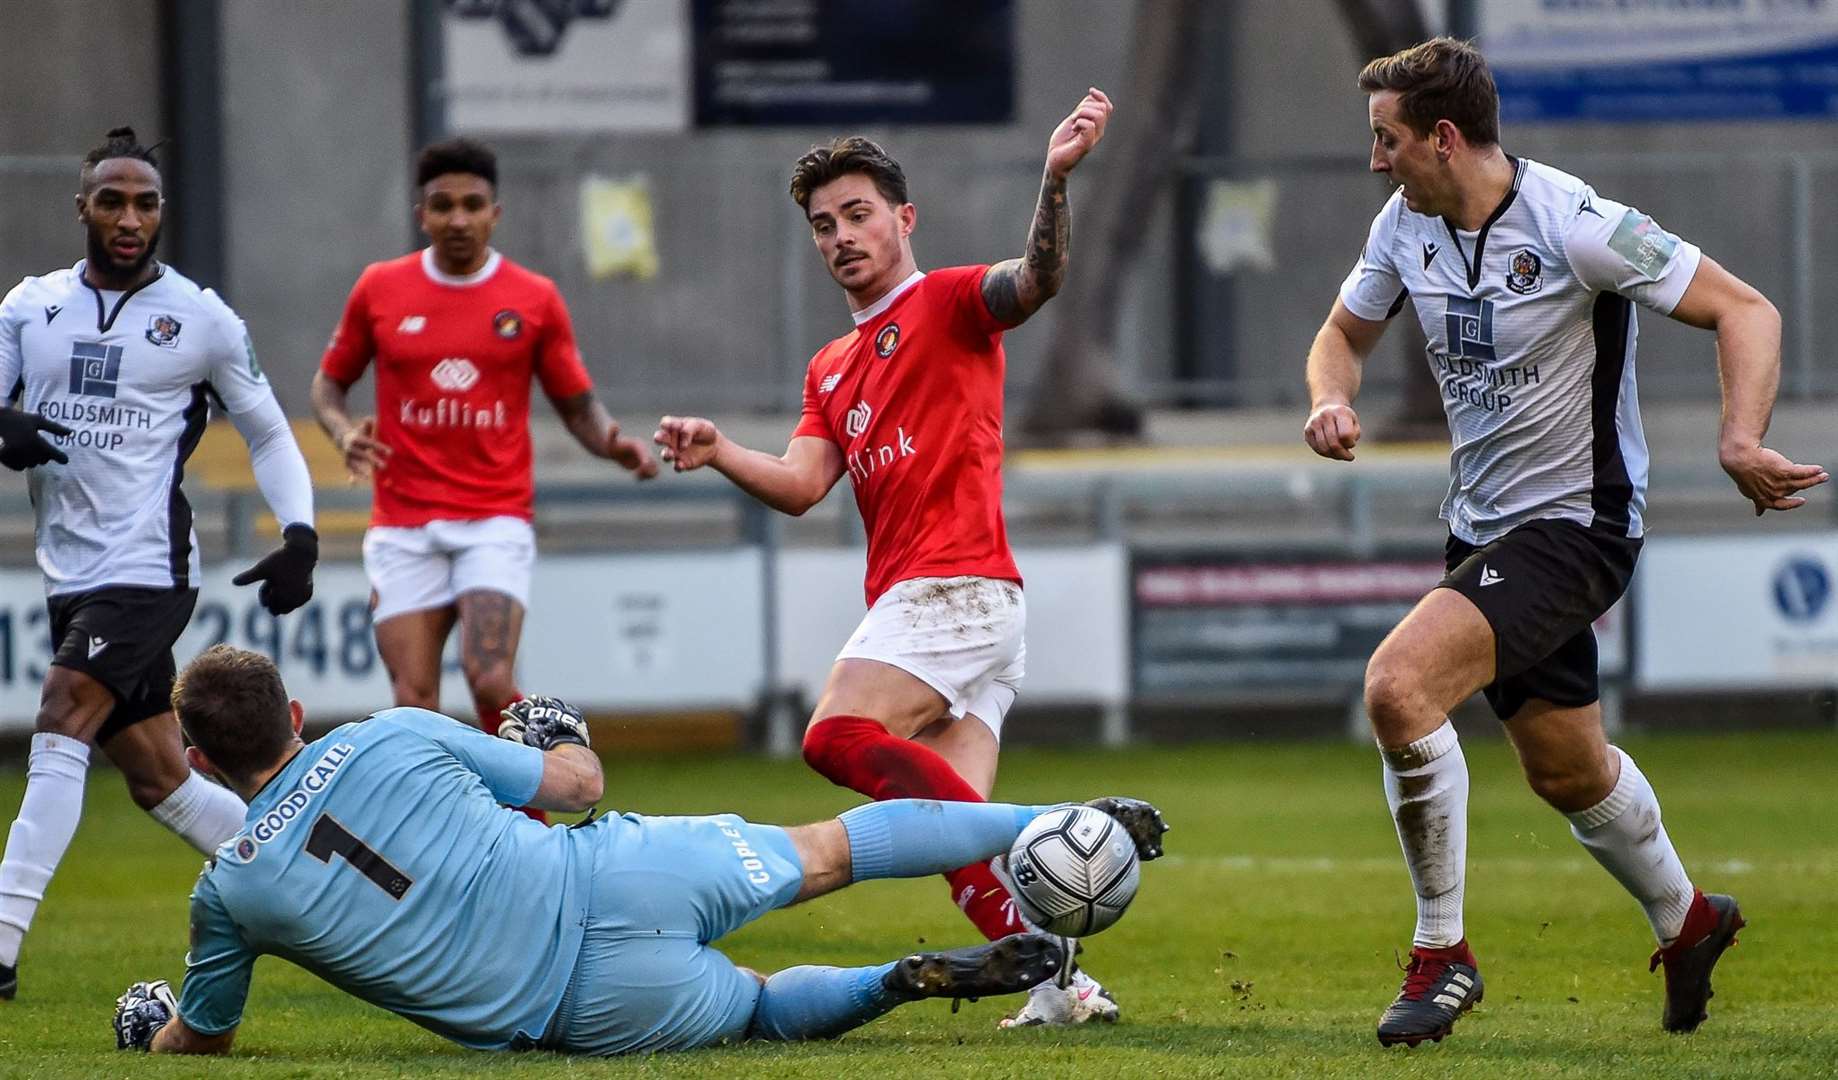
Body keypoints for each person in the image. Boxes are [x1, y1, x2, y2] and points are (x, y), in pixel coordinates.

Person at [1301, 38, 1828, 1047]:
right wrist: (1329, 398)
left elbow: (1742, 309)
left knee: (1395, 688)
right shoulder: (1400, 222)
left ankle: (1439, 956)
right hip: (1480, 528)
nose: (1376, 161)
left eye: (1387, 140)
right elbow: (1340, 333)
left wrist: (1737, 436)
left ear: (1442, 140)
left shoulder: (1575, 224)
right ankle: (1687, 920)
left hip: (1576, 525)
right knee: (1564, 771)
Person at [652, 89, 1116, 1027]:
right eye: (824, 225)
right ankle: (1058, 984)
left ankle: (1056, 832)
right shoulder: (831, 366)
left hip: (954, 587)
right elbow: (799, 482)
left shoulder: (946, 302)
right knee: (948, 840)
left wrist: (1055, 180)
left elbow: (1036, 278)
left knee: (833, 736)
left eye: (858, 214)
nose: (841, 237)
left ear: (904, 219)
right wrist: (719, 452)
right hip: (963, 607)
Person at [108, 645, 1167, 1056]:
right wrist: (557, 729)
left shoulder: (229, 892)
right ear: (296, 709)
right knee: (832, 845)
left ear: (197, 755)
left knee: (755, 1010)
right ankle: (1052, 823)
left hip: (580, 1008)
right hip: (611, 869)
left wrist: (149, 1026)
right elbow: (576, 789)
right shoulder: (385, 732)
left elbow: (203, 1044)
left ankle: (892, 983)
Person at [0, 128, 320, 1001]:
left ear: (163, 212)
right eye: (113, 199)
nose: (130, 216)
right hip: (69, 574)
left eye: (146, 201)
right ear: (83, 208)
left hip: (148, 570)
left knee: (62, 716)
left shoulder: (203, 318)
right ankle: (333, 881)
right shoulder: (29, 307)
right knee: (158, 777)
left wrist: (300, 533)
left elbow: (266, 427)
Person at [309, 136, 657, 817]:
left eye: (472, 205)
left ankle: (537, 832)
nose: (458, 219)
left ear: (496, 213)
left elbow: (577, 405)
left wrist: (615, 445)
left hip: (493, 518)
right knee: (412, 699)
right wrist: (344, 433)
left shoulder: (532, 298)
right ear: (422, 213)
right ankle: (438, 833)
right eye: (444, 206)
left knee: (490, 675)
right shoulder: (381, 288)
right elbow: (328, 385)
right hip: (403, 524)